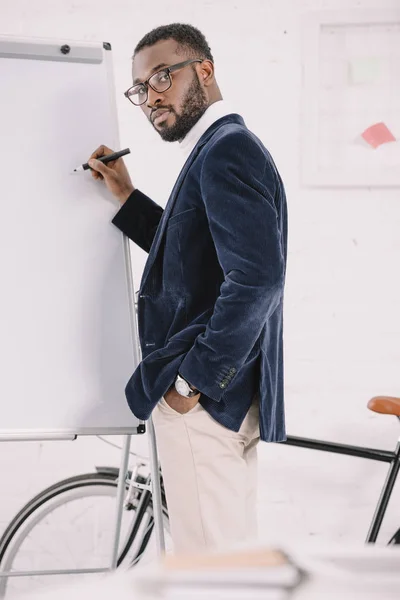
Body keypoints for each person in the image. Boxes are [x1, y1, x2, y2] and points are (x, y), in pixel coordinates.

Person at [88, 23, 288, 555]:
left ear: (205, 69)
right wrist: (127, 196)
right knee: (230, 565)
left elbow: (258, 279)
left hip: (203, 404)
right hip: (219, 400)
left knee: (211, 573)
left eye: (161, 76)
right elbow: (193, 262)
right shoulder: (219, 149)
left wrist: (190, 385)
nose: (150, 96)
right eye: (139, 88)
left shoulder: (226, 150)